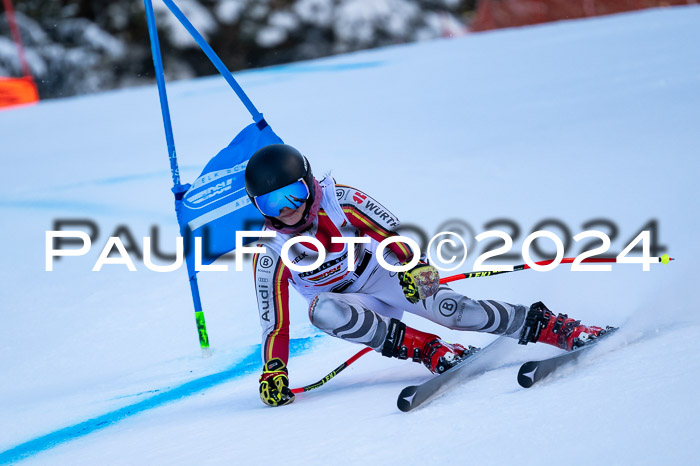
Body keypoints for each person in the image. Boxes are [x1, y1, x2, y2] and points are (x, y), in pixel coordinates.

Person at [245, 144, 605, 407]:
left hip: (381, 274)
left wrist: (414, 267)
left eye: (294, 195)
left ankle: (555, 328)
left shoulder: (342, 201)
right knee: (321, 310)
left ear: (309, 184)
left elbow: (394, 235)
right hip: (348, 305)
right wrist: (273, 369)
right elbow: (275, 324)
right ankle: (429, 350)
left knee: (452, 310)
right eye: (271, 204)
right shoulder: (270, 252)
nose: (288, 211)